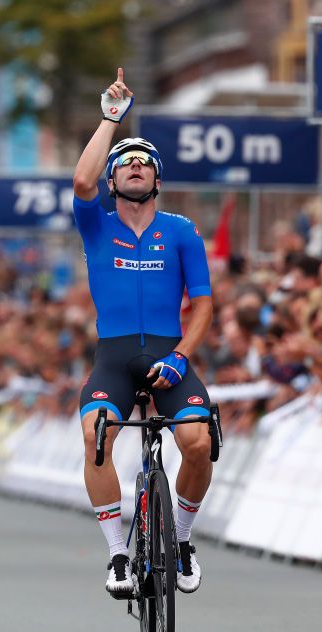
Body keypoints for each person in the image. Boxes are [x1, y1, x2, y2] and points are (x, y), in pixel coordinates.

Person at [71, 68, 214, 598]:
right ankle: (116, 556)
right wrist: (110, 120)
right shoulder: (97, 223)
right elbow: (80, 183)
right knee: (96, 435)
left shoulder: (180, 231)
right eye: (124, 164)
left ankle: (180, 540)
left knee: (197, 443)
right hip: (114, 356)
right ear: (113, 181)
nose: (135, 167)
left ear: (157, 179)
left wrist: (181, 356)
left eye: (144, 163)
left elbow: (203, 306)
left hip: (167, 355)